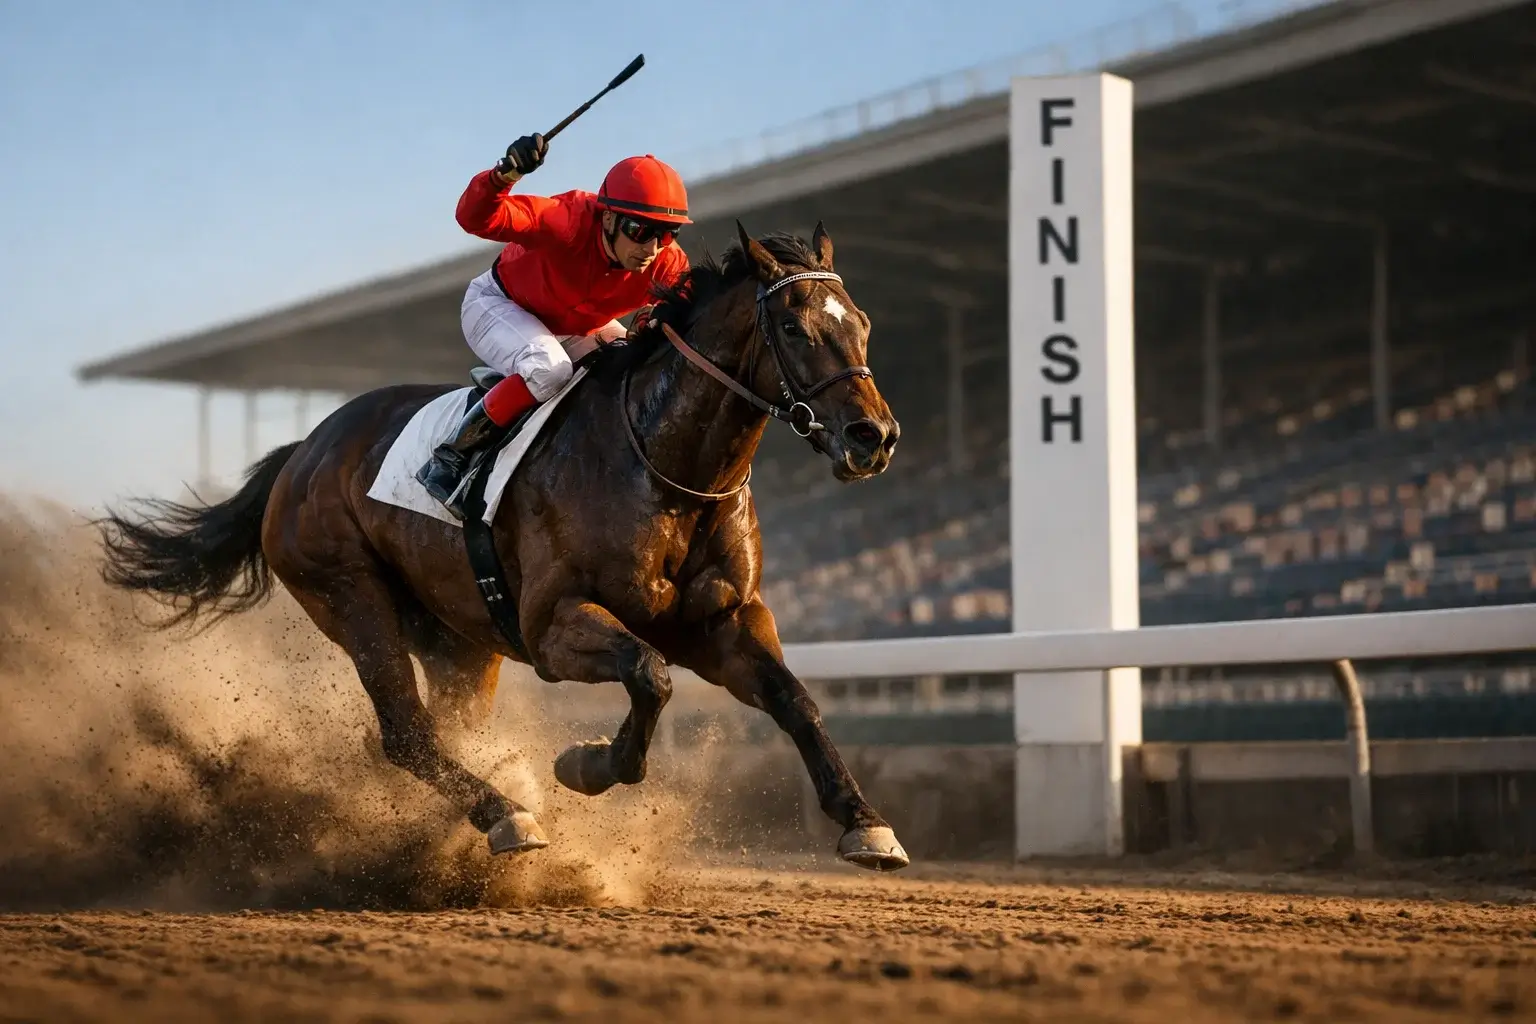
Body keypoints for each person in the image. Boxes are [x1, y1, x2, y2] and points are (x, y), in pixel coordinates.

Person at [415, 132, 693, 513]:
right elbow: (474, 218)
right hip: (498, 306)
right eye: (640, 231)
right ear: (608, 217)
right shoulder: (565, 220)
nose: (652, 248)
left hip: (579, 326)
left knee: (630, 365)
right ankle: (450, 458)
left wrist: (649, 321)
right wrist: (503, 176)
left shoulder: (668, 263)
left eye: (666, 234)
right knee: (549, 368)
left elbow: (686, 313)